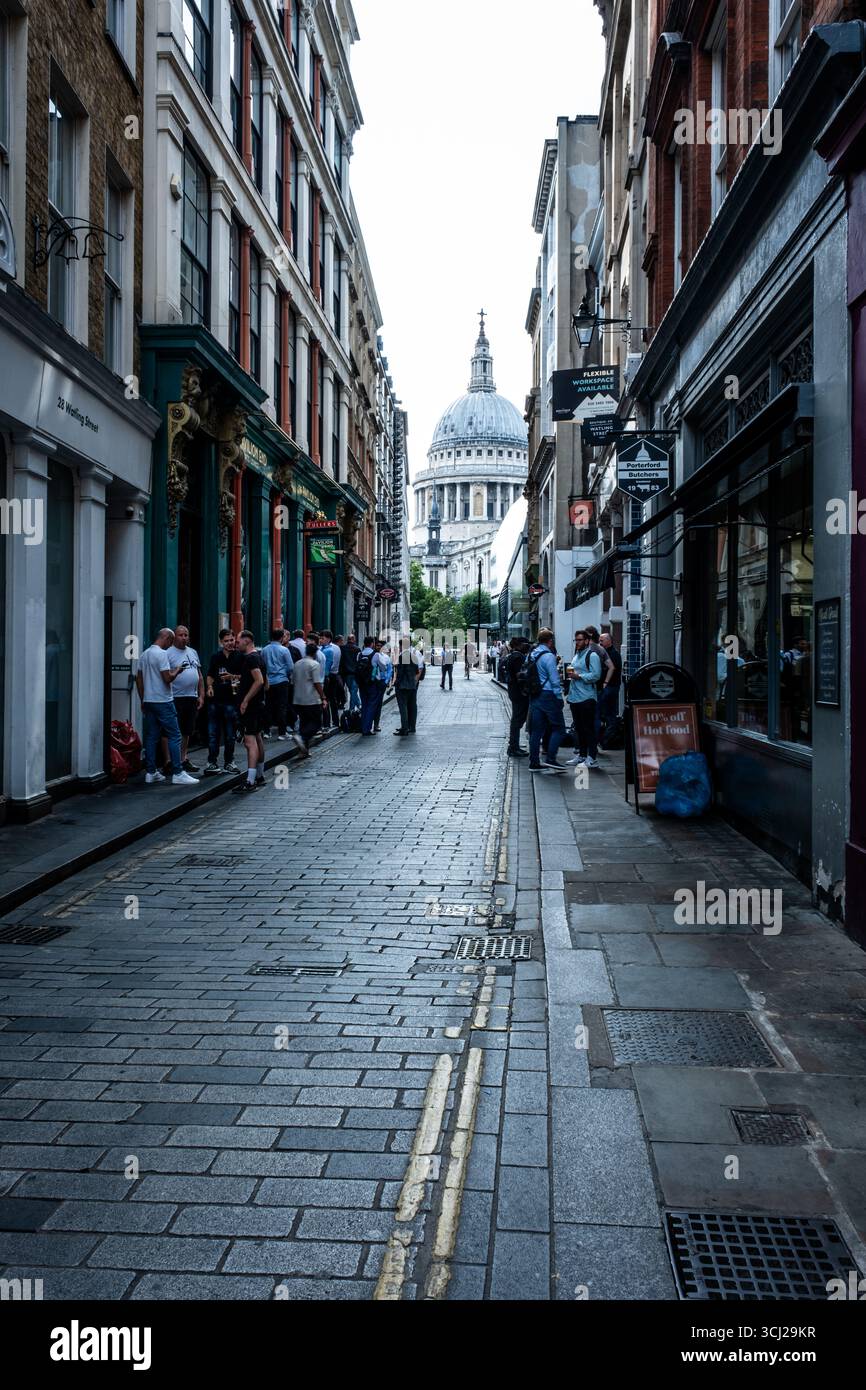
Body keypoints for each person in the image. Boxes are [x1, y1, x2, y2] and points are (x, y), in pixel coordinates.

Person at [135, 629, 199, 786]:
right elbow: (167, 678)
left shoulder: (144, 654)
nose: (170, 645)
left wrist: (143, 699)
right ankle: (178, 772)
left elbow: (139, 679)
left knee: (152, 736)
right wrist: (177, 670)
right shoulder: (162, 654)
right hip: (163, 700)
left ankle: (151, 772)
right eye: (171, 641)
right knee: (175, 735)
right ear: (167, 638)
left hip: (150, 701)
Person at [164, 624, 204, 774]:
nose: (184, 637)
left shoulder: (193, 652)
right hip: (174, 697)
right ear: (175, 636)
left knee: (187, 730)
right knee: (170, 731)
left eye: (186, 635)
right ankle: (168, 761)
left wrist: (201, 695)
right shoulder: (168, 653)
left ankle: (182, 758)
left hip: (191, 697)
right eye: (181, 635)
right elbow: (164, 675)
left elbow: (199, 675)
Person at [527, 628, 567, 774]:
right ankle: (550, 758)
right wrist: (559, 696)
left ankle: (534, 762)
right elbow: (554, 679)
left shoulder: (532, 654)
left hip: (535, 695)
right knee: (559, 728)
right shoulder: (548, 656)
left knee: (536, 731)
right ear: (550, 641)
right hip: (548, 694)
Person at [232, 631, 267, 796]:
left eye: (238, 641)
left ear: (247, 641)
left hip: (252, 707)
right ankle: (259, 775)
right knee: (258, 738)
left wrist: (245, 700)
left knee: (249, 741)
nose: (236, 644)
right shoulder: (259, 657)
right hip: (258, 705)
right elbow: (266, 684)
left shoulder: (251, 658)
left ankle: (250, 780)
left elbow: (259, 681)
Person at [203, 629, 242, 775]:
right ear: (221, 642)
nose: (230, 643)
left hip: (231, 700)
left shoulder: (240, 657)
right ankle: (212, 762)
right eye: (226, 641)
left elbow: (243, 677)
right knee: (213, 733)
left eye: (231, 640)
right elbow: (210, 674)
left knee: (230, 734)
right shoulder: (216, 657)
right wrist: (210, 687)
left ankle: (229, 762)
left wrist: (231, 677)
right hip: (215, 700)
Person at [565, 630, 602, 768]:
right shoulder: (576, 655)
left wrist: (579, 676)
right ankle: (582, 755)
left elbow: (596, 675)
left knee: (588, 728)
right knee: (579, 728)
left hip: (587, 698)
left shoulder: (592, 656)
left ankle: (592, 758)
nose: (577, 642)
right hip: (575, 697)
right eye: (576, 640)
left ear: (587, 641)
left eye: (580, 640)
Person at [291, 642, 326, 757]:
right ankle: (302, 737)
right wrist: (323, 697)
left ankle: (304, 750)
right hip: (311, 699)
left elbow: (293, 681)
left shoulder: (297, 664)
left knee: (304, 722)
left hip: (298, 699)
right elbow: (317, 683)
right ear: (315, 653)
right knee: (316, 723)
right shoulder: (314, 664)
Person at [261, 627, 294, 740]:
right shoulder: (284, 650)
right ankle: (282, 732)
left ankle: (266, 731)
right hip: (281, 681)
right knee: (281, 707)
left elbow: (262, 666)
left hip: (268, 682)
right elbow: (290, 667)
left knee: (268, 706)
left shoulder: (264, 650)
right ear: (281, 638)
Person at [505, 638, 530, 757]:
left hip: (514, 691)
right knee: (517, 719)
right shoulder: (518, 657)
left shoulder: (513, 656)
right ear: (519, 645)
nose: (528, 646)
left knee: (517, 719)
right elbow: (520, 675)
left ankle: (513, 746)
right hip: (519, 693)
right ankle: (513, 747)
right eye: (526, 644)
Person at [393, 637, 422, 736]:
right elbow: (417, 671)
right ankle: (412, 727)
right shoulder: (413, 656)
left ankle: (404, 728)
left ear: (402, 646)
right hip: (412, 685)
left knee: (403, 707)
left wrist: (396, 683)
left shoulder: (402, 656)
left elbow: (400, 673)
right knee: (412, 706)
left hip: (403, 686)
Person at [358, 637, 387, 735]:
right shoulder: (376, 655)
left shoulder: (359, 654)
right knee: (371, 705)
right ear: (372, 644)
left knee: (364, 704)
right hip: (372, 683)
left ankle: (363, 727)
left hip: (361, 683)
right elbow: (383, 668)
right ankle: (367, 728)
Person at [598, 632, 622, 746]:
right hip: (609, 687)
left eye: (602, 640)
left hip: (610, 687)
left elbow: (611, 670)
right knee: (607, 714)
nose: (600, 642)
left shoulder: (613, 654)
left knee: (609, 714)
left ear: (609, 641)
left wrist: (605, 683)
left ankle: (607, 740)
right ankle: (605, 739)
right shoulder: (606, 652)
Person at [342, 633, 362, 712]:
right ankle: (354, 707)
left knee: (352, 691)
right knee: (353, 691)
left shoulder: (343, 648)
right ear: (354, 640)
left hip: (347, 674)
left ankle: (353, 708)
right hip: (355, 674)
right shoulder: (357, 649)